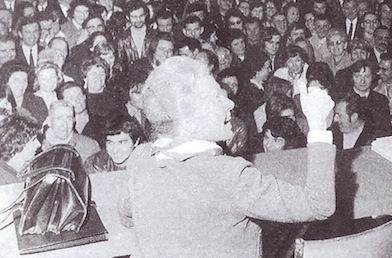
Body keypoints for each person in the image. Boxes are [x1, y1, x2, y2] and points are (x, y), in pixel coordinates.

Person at [117, 56, 335, 258]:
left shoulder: (140, 159)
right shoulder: (231, 175)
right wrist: (318, 125)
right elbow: (320, 205)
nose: (230, 103)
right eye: (216, 99)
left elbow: (126, 216)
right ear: (190, 124)